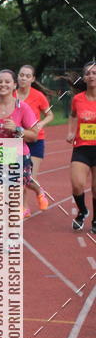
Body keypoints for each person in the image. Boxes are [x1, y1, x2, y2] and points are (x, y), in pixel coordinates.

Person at [0, 69, 39, 219]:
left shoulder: (22, 108)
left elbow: (34, 135)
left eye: (7, 82)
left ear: (14, 85)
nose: (3, 84)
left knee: (10, 205)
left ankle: (4, 234)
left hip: (16, 160)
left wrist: (18, 129)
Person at [17, 64, 53, 217]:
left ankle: (39, 191)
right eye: (21, 75)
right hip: (17, 140)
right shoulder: (11, 95)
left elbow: (50, 115)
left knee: (28, 177)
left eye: (27, 76)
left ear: (33, 79)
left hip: (36, 140)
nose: (23, 78)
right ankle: (24, 207)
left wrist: (41, 124)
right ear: (17, 77)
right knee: (18, 176)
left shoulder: (38, 96)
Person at [66, 60, 96, 232]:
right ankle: (82, 211)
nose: (91, 76)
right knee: (77, 184)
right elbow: (72, 115)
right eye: (88, 73)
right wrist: (71, 132)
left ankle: (95, 220)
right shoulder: (78, 99)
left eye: (94, 73)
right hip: (82, 147)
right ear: (84, 78)